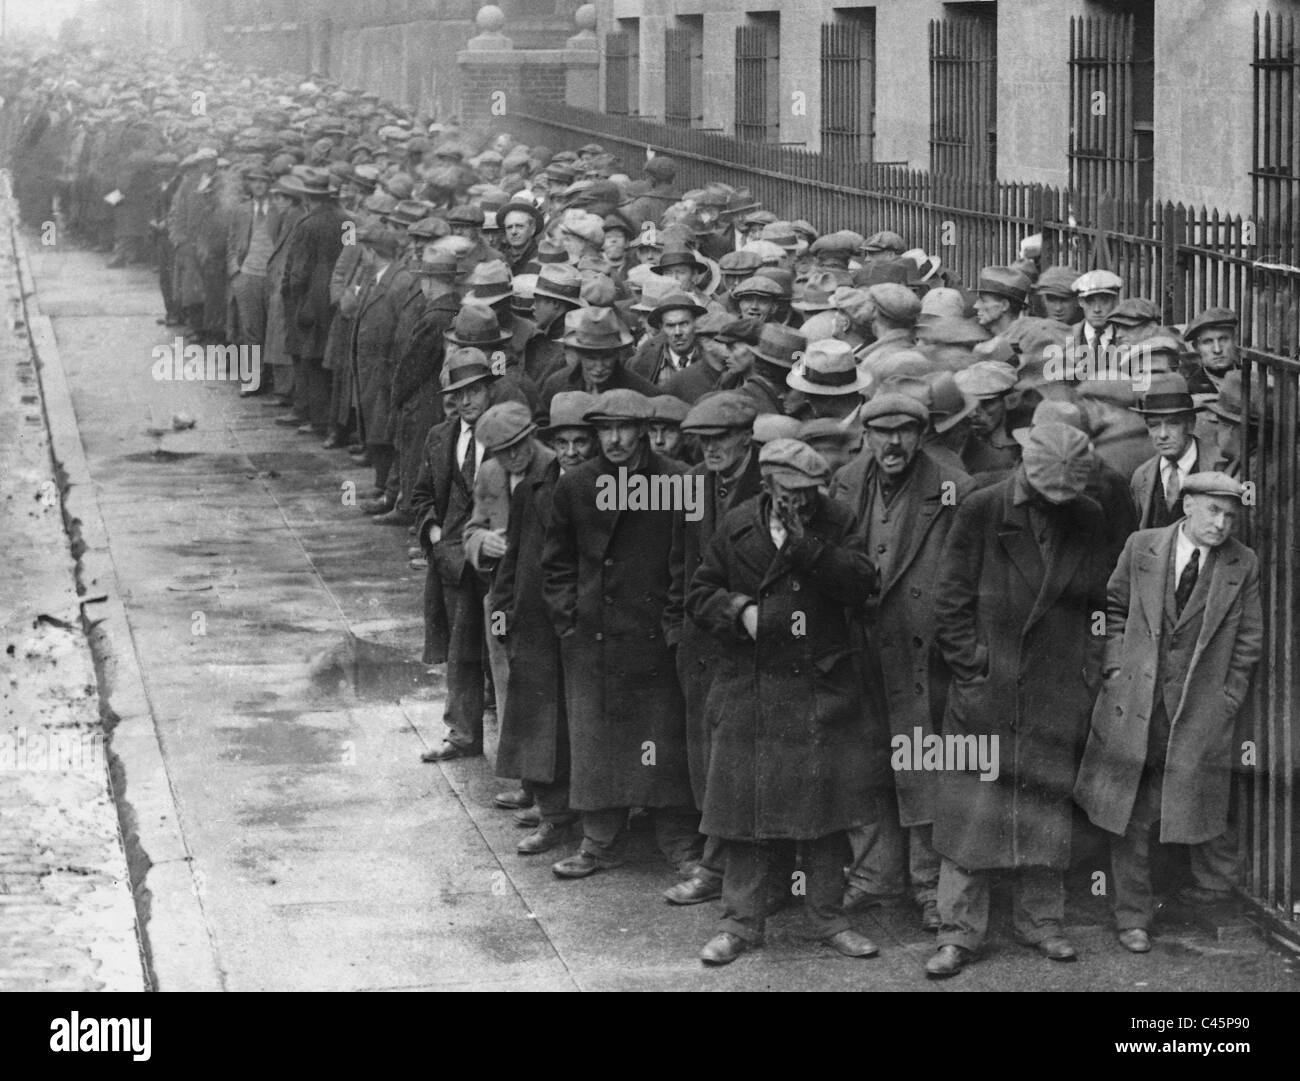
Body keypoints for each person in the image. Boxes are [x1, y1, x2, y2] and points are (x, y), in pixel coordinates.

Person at [687, 438, 884, 965]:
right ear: (769, 485)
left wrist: (809, 550)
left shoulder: (836, 519)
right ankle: (740, 923)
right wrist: (739, 611)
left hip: (819, 687)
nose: (801, 502)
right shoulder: (737, 524)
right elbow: (699, 593)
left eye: (808, 493)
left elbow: (864, 584)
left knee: (824, 814)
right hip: (751, 686)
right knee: (745, 814)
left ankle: (827, 919)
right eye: (790, 492)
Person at [926, 422, 1109, 978]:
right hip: (990, 687)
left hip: (1056, 687)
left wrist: (1089, 671)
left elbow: (1100, 603)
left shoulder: (1089, 515)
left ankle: (1041, 922)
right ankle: (959, 931)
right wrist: (973, 666)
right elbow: (950, 600)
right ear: (1027, 469)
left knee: (1045, 805)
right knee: (970, 810)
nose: (1058, 504)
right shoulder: (982, 508)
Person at [1074, 472, 1263, 952]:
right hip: (1137, 703)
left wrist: (1227, 698)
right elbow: (1111, 608)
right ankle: (1132, 917)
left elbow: (1248, 641)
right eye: (1213, 512)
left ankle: (1214, 898)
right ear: (1188, 506)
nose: (1222, 525)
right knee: (1130, 811)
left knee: (1197, 803)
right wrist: (1115, 667)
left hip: (1198, 711)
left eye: (1230, 516)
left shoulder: (1242, 563)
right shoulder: (1142, 547)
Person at [829, 393, 976, 930]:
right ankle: (873, 874)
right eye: (881, 432)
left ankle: (927, 885)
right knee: (864, 758)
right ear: (865, 435)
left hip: (923, 648)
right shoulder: (846, 480)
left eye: (905, 432)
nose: (893, 443)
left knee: (922, 764)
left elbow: (968, 573)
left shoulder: (955, 485)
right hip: (861, 641)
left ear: (922, 433)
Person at [542, 390, 701, 883]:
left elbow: (692, 559)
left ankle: (678, 843)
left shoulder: (676, 482)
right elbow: (556, 563)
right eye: (604, 428)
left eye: (623, 428)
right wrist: (569, 619)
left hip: (656, 637)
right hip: (595, 638)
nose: (613, 439)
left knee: (662, 743)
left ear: (645, 429)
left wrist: (676, 628)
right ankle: (599, 842)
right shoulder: (576, 485)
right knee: (598, 745)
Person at [662, 392, 762, 907]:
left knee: (740, 763)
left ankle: (721, 869)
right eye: (702, 440)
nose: (712, 449)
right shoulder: (694, 484)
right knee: (703, 759)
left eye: (721, 439)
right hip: (700, 644)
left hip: (751, 644)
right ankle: (715, 860)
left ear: (747, 435)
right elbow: (680, 564)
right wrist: (676, 629)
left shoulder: (768, 482)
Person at [1128, 373, 1209, 530]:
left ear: (1191, 424)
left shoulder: (1220, 467)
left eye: (1173, 423)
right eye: (1154, 425)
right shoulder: (1140, 477)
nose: (1163, 434)